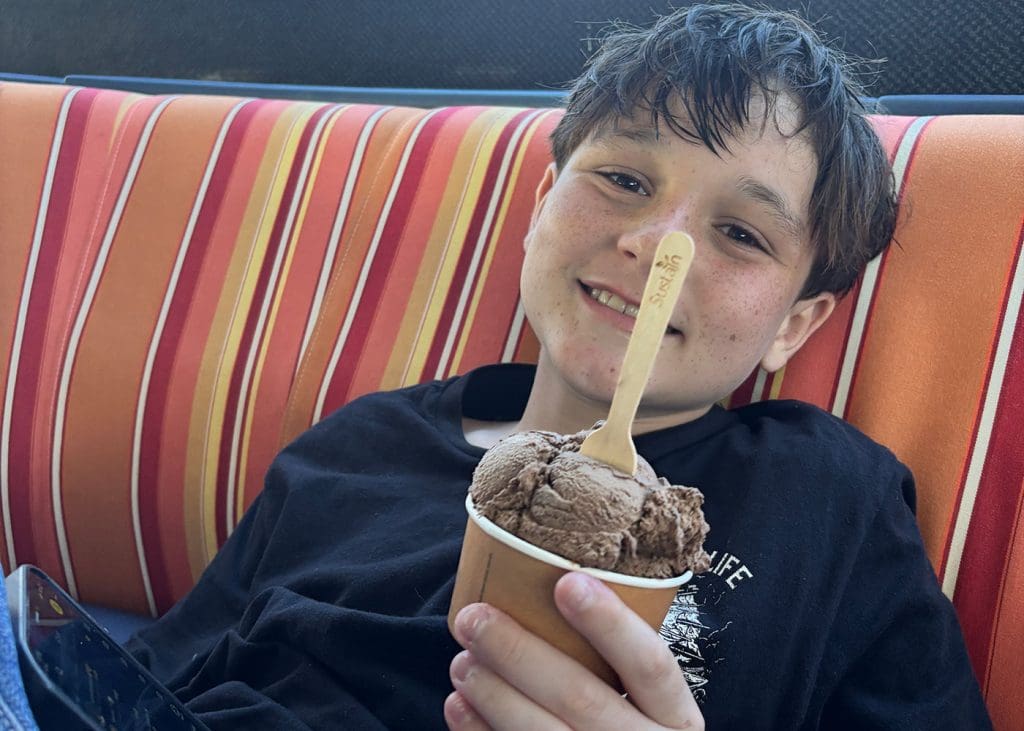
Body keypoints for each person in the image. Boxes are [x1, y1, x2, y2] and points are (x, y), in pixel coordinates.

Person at [125, 4, 993, 729]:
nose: (659, 246)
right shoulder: (355, 445)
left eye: (740, 232)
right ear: (542, 209)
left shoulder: (827, 499)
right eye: (622, 178)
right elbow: (132, 688)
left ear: (794, 325)